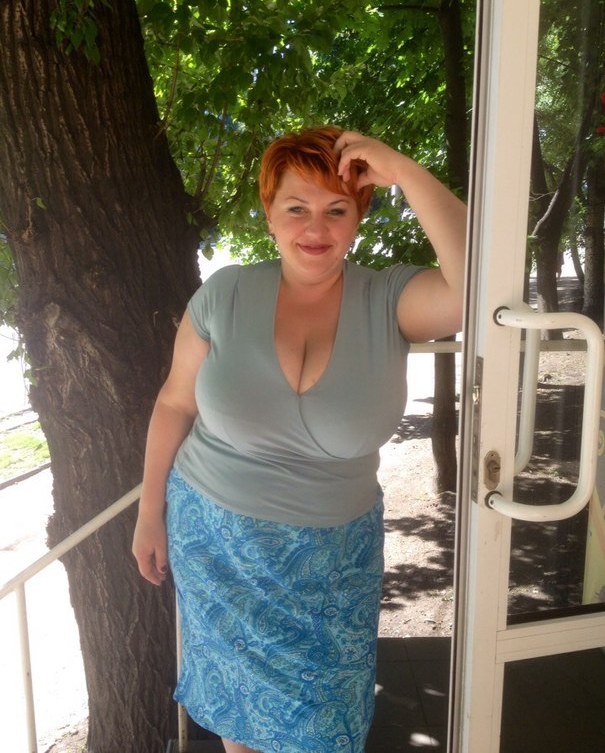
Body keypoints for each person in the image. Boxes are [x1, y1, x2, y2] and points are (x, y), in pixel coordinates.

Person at [132, 127, 467, 753]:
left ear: (358, 218)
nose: (316, 228)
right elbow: (175, 402)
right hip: (215, 539)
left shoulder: (389, 298)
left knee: (325, 728)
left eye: (337, 209)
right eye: (296, 208)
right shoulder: (224, 293)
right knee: (241, 720)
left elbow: (482, 283)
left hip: (331, 563)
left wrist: (402, 168)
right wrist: (150, 513)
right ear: (269, 215)